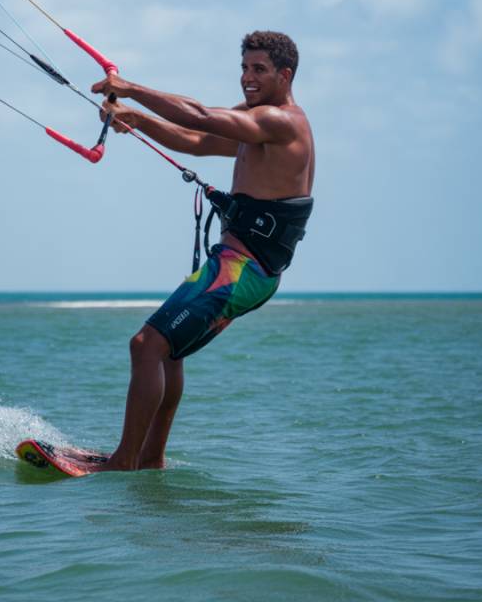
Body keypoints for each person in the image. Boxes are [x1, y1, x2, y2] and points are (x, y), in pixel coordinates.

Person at [89, 30, 315, 471]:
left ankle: (123, 462)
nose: (247, 78)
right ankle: (150, 459)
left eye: (259, 70)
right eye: (244, 68)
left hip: (244, 268)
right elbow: (196, 139)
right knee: (168, 350)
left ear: (285, 75)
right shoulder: (255, 121)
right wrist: (138, 121)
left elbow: (199, 116)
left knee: (145, 345)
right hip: (240, 264)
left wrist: (131, 89)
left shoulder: (282, 122)